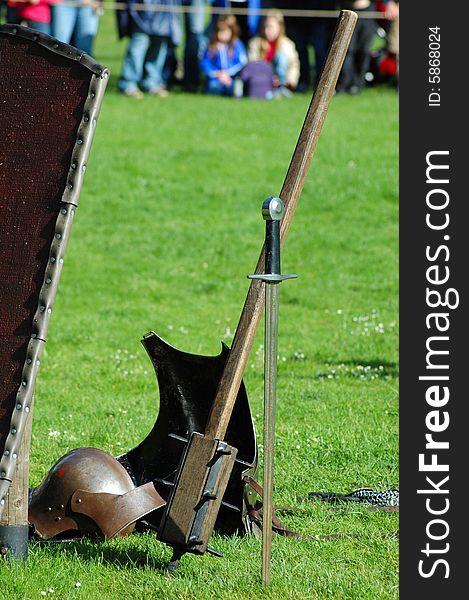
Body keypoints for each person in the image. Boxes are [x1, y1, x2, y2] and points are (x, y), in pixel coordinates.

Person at [117, 0, 182, 98]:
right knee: (137, 48)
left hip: (164, 13)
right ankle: (128, 84)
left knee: (159, 49)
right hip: (142, 10)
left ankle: (151, 83)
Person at [336, 0, 397, 94]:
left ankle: (358, 85)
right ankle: (343, 84)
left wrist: (388, 3)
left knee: (363, 51)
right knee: (347, 51)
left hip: (368, 11)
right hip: (348, 9)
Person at [247, 9, 299, 96]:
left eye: (270, 27)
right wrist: (268, 77)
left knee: (281, 58)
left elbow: (294, 65)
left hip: (282, 81)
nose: (267, 30)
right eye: (265, 27)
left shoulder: (287, 44)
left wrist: (290, 81)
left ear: (280, 27)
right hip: (262, 80)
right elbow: (253, 64)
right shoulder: (255, 43)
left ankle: (281, 89)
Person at [199, 16, 247, 96]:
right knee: (213, 86)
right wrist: (216, 73)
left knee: (236, 87)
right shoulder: (211, 46)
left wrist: (228, 73)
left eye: (225, 32)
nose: (223, 34)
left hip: (231, 77)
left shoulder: (237, 45)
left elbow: (241, 62)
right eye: (220, 31)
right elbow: (205, 62)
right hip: (216, 78)